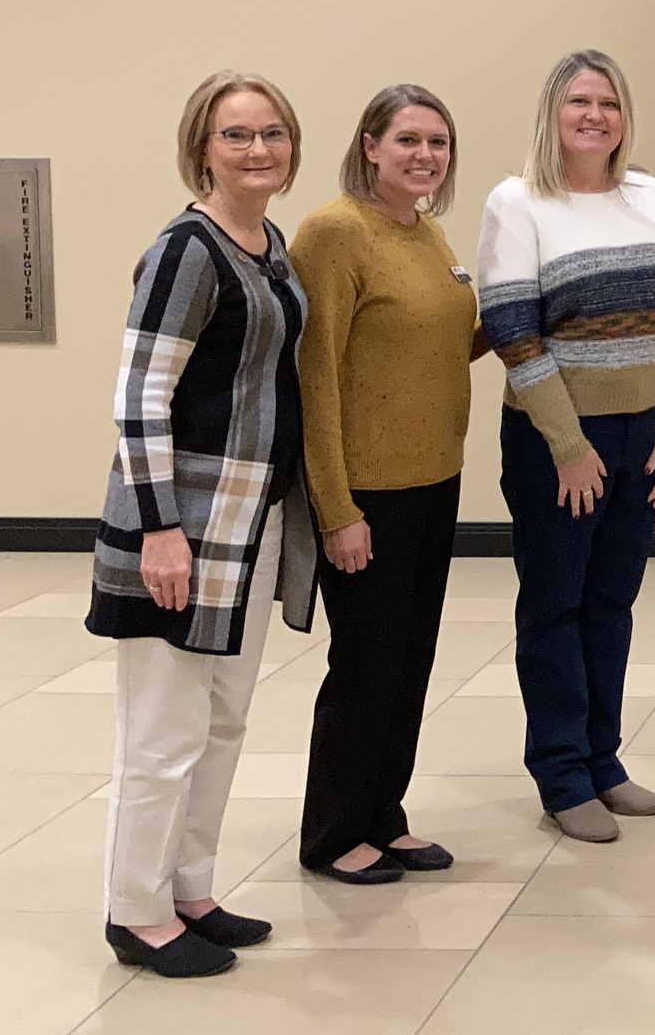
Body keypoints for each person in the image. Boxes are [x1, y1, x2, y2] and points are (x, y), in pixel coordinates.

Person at [87, 72, 318, 977]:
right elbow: (141, 396)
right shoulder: (188, 249)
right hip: (179, 529)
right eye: (236, 136)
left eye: (272, 133)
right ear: (203, 148)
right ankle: (134, 912)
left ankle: (190, 888)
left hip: (247, 525)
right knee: (163, 729)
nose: (258, 150)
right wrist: (159, 528)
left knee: (222, 719)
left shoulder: (267, 244)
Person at [478, 50, 655, 843]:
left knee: (612, 601)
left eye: (607, 101)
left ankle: (604, 763)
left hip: (644, 432)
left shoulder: (651, 195)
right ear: (553, 112)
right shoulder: (519, 202)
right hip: (557, 438)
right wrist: (569, 445)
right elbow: (511, 328)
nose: (594, 115)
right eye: (579, 101)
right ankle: (562, 773)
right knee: (556, 604)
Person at [292, 86, 483, 884]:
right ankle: (334, 833)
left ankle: (383, 813)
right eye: (408, 140)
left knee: (410, 659)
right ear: (370, 144)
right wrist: (337, 510)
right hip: (367, 493)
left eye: (437, 143)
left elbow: (427, 351)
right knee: (366, 663)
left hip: (436, 479)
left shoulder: (427, 230)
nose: (425, 157)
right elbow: (318, 378)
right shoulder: (335, 233)